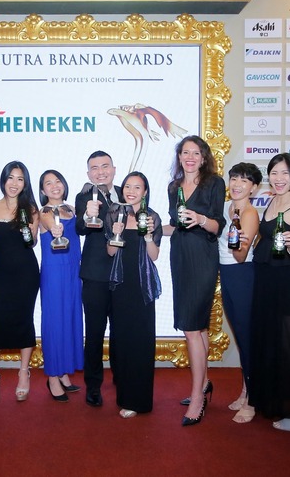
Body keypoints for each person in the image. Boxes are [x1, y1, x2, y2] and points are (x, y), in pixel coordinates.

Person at [249, 152, 290, 432]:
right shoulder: (272, 201)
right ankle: (274, 401)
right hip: (267, 277)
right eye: (274, 173)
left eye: (285, 173)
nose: (278, 179)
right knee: (270, 338)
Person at [163, 135, 225, 426]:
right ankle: (204, 382)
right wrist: (146, 225)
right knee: (198, 328)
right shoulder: (173, 187)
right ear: (179, 157)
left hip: (203, 257)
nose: (190, 157)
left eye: (195, 153)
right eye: (185, 152)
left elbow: (217, 226)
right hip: (180, 256)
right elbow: (174, 226)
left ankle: (197, 397)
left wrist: (200, 219)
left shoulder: (214, 183)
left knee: (191, 326)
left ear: (203, 158)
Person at [0, 161, 41, 404]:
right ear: (3, 180)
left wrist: (29, 230)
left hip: (27, 274)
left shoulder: (31, 209)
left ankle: (23, 373)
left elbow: (32, 242)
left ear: (25, 183)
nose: (14, 183)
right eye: (10, 178)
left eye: (20, 179)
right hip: (1, 274)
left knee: (24, 320)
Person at [106, 171, 163, 418]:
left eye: (137, 187)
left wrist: (148, 236)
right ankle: (124, 395)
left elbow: (154, 256)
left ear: (145, 192)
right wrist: (115, 234)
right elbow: (110, 252)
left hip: (142, 286)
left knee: (141, 341)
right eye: (128, 186)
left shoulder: (152, 217)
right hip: (120, 285)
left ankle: (140, 400)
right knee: (122, 339)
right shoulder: (114, 213)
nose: (131, 191)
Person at [75, 150, 123, 407]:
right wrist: (87, 214)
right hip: (95, 275)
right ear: (88, 173)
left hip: (124, 274)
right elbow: (81, 227)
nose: (100, 172)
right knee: (94, 332)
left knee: (121, 330)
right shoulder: (84, 197)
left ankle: (121, 376)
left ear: (114, 169)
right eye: (94, 168)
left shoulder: (127, 193)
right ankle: (93, 385)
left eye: (105, 166)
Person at [218, 162, 263, 424]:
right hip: (227, 275)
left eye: (244, 180)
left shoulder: (249, 213)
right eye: (234, 178)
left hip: (243, 275)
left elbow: (240, 255)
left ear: (253, 188)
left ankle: (253, 400)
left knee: (247, 338)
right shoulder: (226, 206)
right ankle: (246, 391)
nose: (237, 184)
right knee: (240, 336)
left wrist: (239, 243)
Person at [37, 169, 84, 402]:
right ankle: (53, 377)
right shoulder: (43, 212)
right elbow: (51, 223)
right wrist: (56, 229)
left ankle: (64, 372)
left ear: (64, 184)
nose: (54, 186)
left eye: (57, 181)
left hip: (74, 271)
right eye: (48, 183)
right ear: (42, 190)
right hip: (54, 273)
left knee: (71, 319)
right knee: (55, 322)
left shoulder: (72, 209)